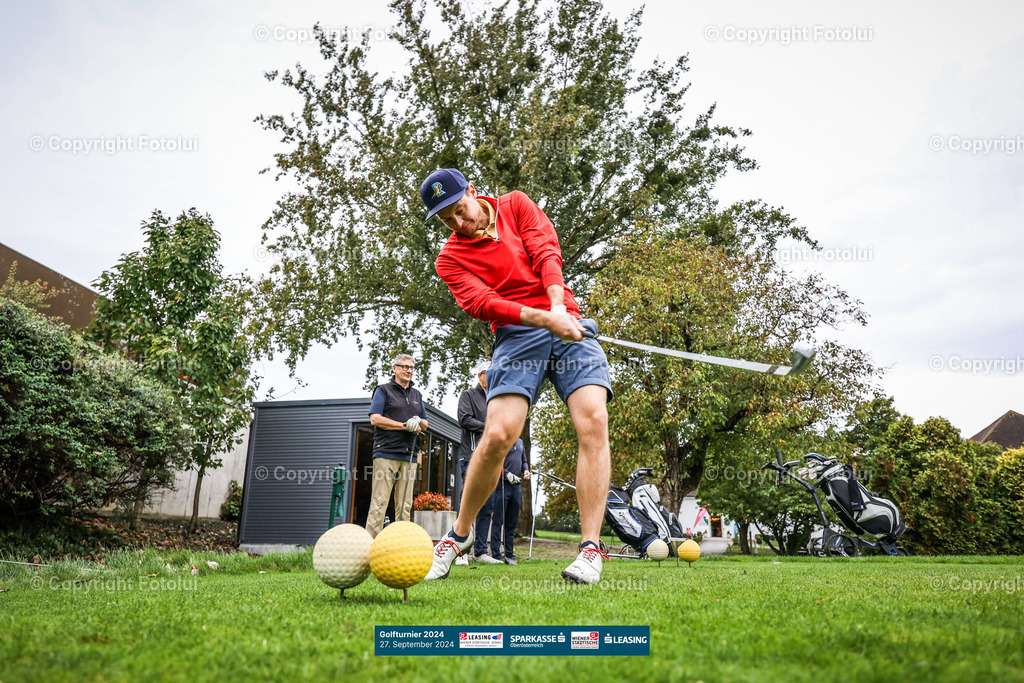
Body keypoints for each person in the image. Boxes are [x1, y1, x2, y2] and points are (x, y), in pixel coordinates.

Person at [418, 168, 612, 584]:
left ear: (473, 191)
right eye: (446, 219)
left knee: (593, 418)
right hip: (517, 335)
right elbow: (483, 303)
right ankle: (458, 537)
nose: (458, 223)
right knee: (499, 435)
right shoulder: (449, 259)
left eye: (460, 210)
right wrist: (541, 318)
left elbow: (546, 253)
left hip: (565, 317)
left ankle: (591, 549)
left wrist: (557, 308)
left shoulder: (516, 204)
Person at [364, 353, 428, 537]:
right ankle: (370, 549)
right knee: (379, 504)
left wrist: (418, 422)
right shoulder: (383, 391)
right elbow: (375, 419)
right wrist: (403, 426)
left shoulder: (417, 395)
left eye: (411, 368)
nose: (409, 371)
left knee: (404, 506)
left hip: (410, 456)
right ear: (395, 369)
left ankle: (399, 547)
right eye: (405, 367)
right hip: (386, 453)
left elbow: (425, 423)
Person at [455, 364, 502, 565]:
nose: (491, 377)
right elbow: (464, 419)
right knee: (468, 503)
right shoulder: (468, 395)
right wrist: (488, 427)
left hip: (491, 459)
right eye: (487, 374)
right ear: (480, 375)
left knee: (487, 505)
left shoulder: (496, 397)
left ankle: (481, 552)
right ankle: (461, 552)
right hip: (470, 456)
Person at [490, 438, 530, 565]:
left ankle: (509, 553)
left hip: (516, 486)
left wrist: (526, 470)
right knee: (498, 521)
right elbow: (495, 462)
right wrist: (506, 474)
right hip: (502, 485)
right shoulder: (501, 440)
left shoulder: (520, 442)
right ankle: (496, 554)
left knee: (511, 522)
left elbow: (523, 460)